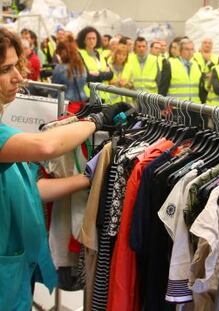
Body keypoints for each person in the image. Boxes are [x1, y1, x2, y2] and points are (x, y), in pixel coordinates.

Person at [0, 27, 130, 310]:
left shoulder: (7, 132)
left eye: (16, 66)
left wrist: (88, 180)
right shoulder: (5, 137)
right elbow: (46, 147)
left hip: (15, 271)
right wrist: (96, 121)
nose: (18, 77)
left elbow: (32, 189)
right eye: (5, 69)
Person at [159, 38, 204, 109]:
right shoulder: (170, 64)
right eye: (187, 49)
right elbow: (162, 89)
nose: (190, 52)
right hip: (176, 107)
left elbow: (201, 90)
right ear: (180, 51)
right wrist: (162, 107)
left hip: (195, 107)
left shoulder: (197, 65)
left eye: (192, 49)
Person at [51, 34, 87, 113]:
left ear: (62, 52)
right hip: (81, 105)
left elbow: (54, 92)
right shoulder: (82, 67)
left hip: (66, 107)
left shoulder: (59, 68)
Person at [76, 26, 113, 101]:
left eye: (94, 38)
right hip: (89, 95)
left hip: (103, 94)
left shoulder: (100, 54)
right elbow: (87, 77)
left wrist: (99, 74)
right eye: (89, 38)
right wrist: (104, 73)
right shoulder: (79, 54)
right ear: (84, 40)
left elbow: (111, 75)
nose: (92, 41)